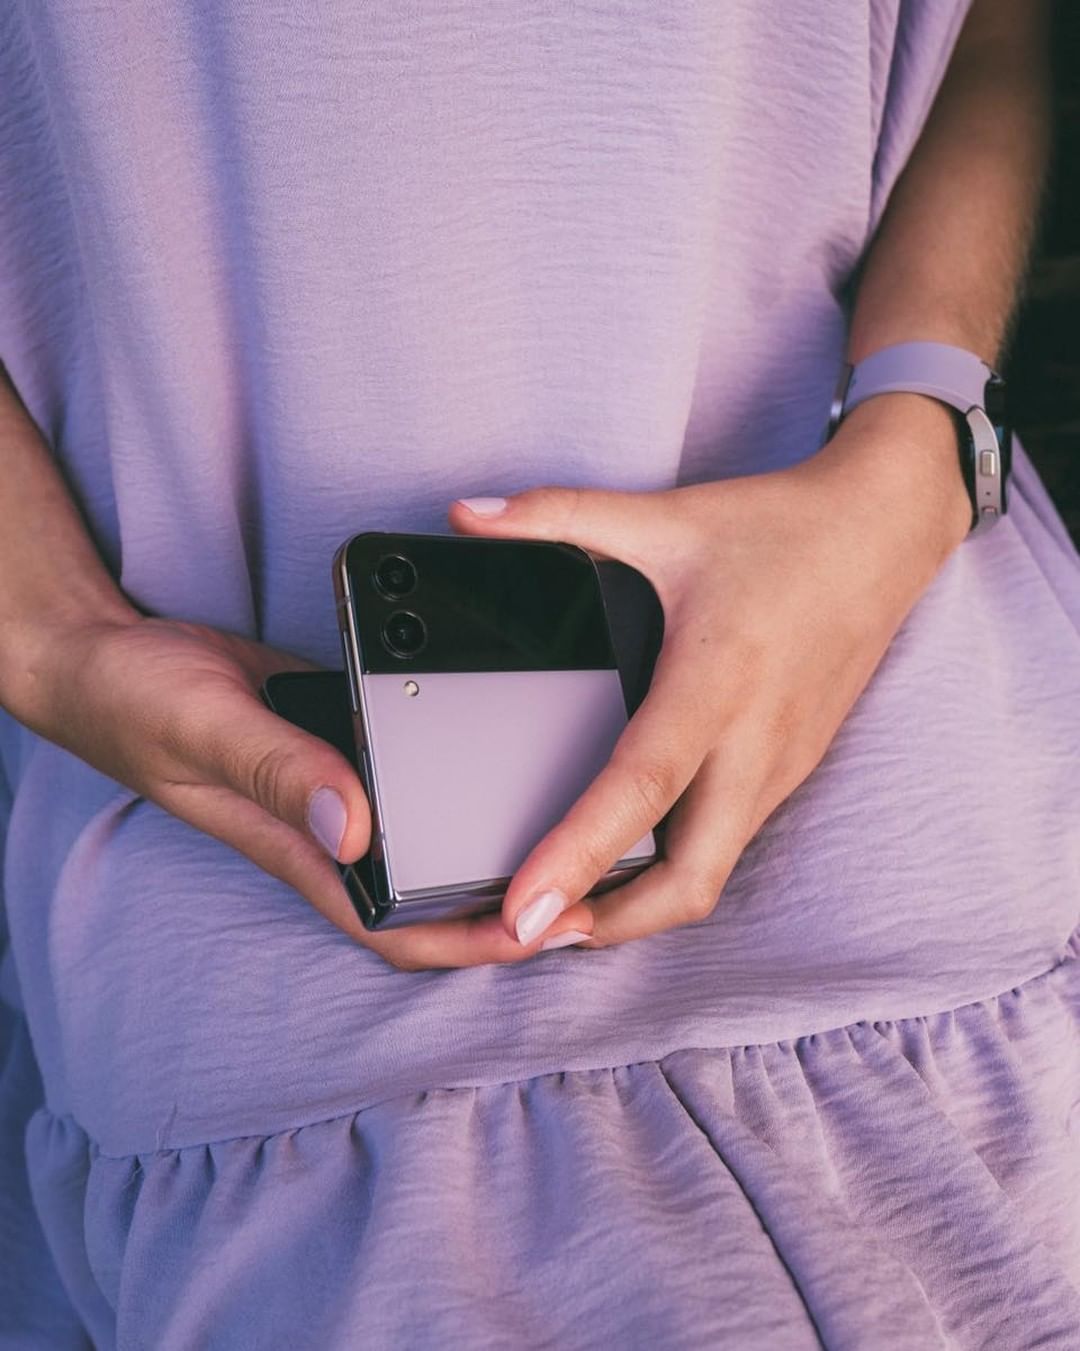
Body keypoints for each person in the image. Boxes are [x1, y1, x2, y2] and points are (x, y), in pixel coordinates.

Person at [1, 0, 1078, 1345]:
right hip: (261, 961)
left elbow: (987, 28)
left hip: (927, 804)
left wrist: (915, 453)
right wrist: (42, 630)